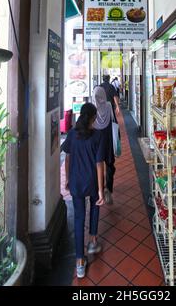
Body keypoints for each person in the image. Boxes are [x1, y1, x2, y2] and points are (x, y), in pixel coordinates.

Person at [62, 103, 105, 279]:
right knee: (95, 206)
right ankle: (93, 241)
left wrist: (67, 179)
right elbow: (99, 165)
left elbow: (67, 158)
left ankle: (80, 261)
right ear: (93, 118)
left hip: (76, 182)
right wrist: (101, 191)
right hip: (92, 182)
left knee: (79, 217)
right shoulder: (97, 136)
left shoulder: (72, 134)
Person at [92, 86, 115, 205]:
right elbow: (113, 121)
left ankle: (98, 188)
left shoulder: (92, 108)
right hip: (108, 140)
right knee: (110, 164)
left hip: (96, 142)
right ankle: (108, 189)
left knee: (97, 164)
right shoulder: (109, 105)